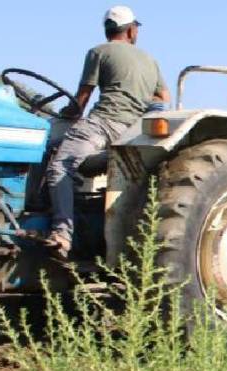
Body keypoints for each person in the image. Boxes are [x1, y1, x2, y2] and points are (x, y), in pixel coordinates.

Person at [44, 5, 169, 258]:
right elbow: (163, 97)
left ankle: (61, 233)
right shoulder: (149, 59)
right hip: (131, 131)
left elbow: (82, 99)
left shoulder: (98, 52)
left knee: (59, 167)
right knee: (90, 162)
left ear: (107, 31)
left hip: (103, 123)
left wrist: (68, 112)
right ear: (131, 31)